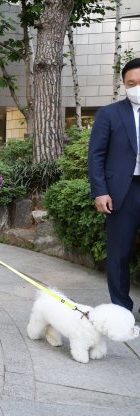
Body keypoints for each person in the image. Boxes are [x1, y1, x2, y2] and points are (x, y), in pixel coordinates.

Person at [88, 57, 140, 313]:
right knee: (119, 253)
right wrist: (100, 192)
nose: (136, 88)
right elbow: (96, 155)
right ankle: (121, 310)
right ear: (124, 85)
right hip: (123, 192)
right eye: (131, 83)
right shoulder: (109, 114)